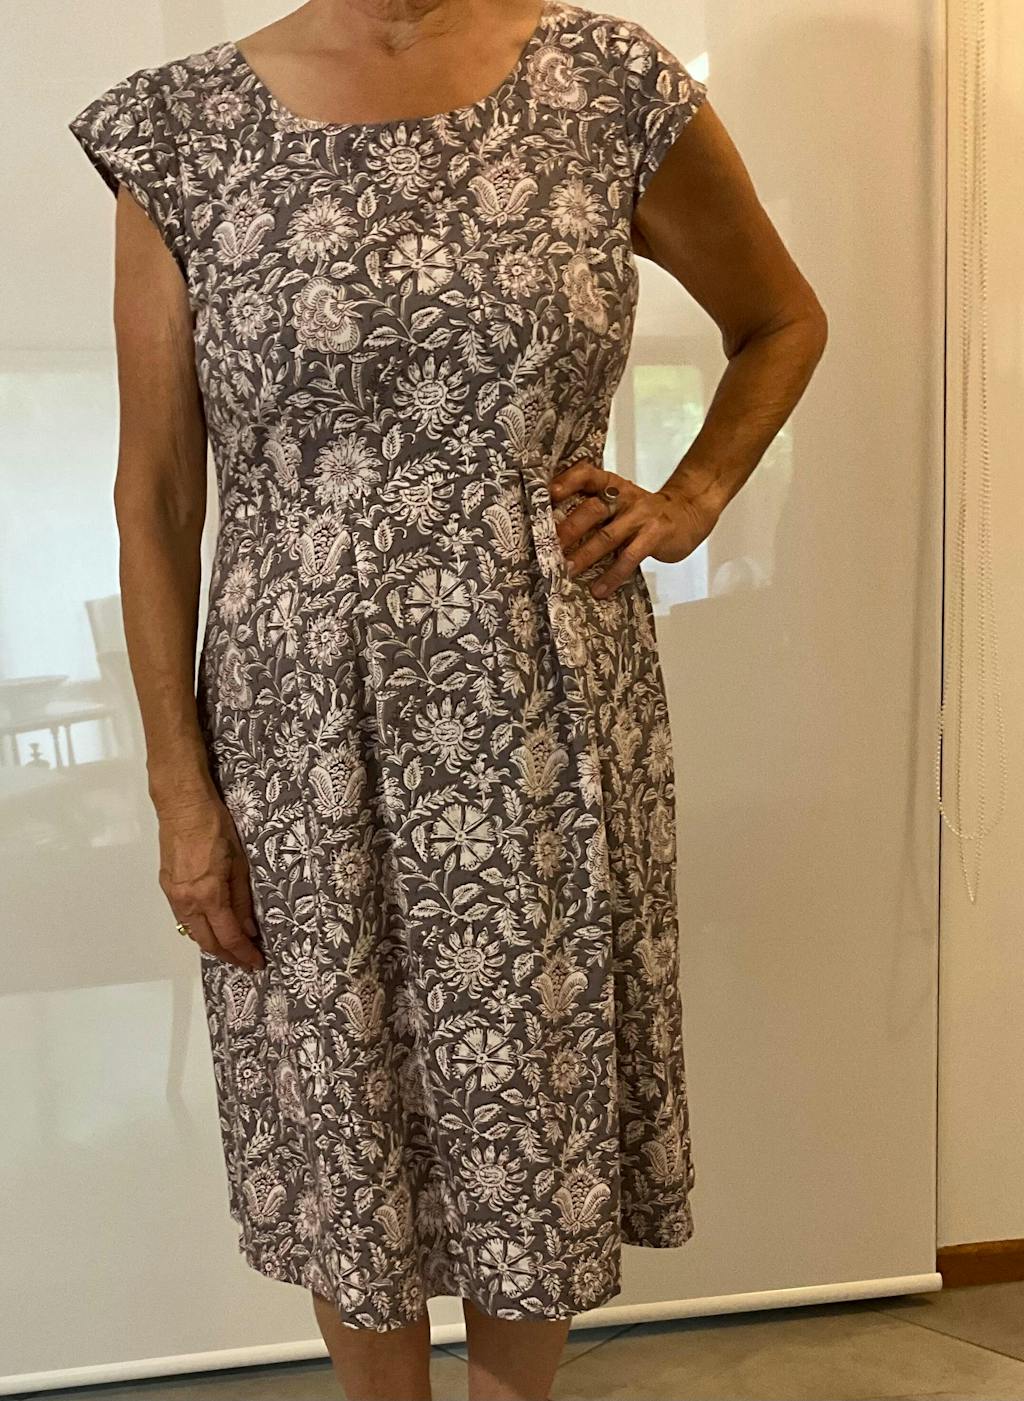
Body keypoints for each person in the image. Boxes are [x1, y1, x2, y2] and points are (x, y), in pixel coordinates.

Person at [67, 2, 826, 1398]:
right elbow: (158, 493)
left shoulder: (606, 84)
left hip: (540, 708)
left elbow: (780, 318)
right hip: (297, 730)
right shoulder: (178, 130)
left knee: (523, 1089)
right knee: (344, 1104)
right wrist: (179, 789)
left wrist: (695, 494)